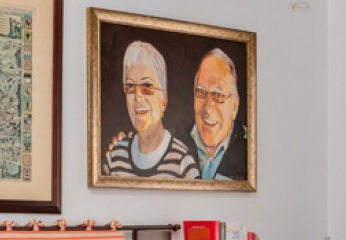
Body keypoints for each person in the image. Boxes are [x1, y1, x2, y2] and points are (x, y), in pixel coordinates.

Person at [103, 40, 197, 179]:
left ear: (164, 100)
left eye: (147, 85)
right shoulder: (115, 157)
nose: (137, 96)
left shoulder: (183, 162)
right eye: (130, 86)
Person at [188, 47, 246, 182]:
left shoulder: (250, 151)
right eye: (201, 92)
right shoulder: (176, 146)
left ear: (234, 106)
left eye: (218, 95)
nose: (208, 108)